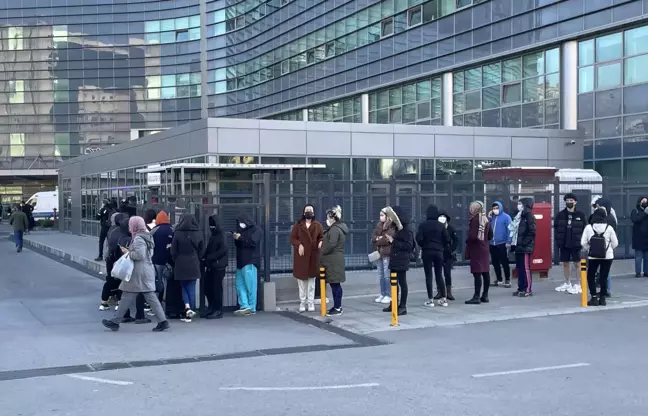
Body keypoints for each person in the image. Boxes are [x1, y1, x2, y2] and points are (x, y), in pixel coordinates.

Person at [102, 216, 170, 332]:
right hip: (145, 271)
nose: (129, 226)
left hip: (138, 273)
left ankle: (115, 321)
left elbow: (140, 255)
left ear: (135, 225)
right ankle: (162, 321)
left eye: (131, 224)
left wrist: (128, 252)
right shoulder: (147, 236)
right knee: (148, 297)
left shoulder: (138, 238)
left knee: (127, 295)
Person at [581, 208, 618, 306]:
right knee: (604, 277)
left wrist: (590, 248)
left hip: (593, 256)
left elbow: (583, 242)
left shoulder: (589, 227)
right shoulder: (609, 228)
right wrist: (608, 249)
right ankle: (602, 298)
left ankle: (593, 297)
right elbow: (615, 243)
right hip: (607, 256)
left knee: (591, 276)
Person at [171, 214, 204, 323]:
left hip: (181, 262)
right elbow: (201, 250)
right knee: (192, 287)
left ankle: (187, 308)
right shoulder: (198, 232)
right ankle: (192, 309)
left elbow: (173, 251)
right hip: (194, 261)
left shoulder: (178, 232)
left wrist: (176, 259)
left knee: (183, 287)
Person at [290, 204, 324, 312]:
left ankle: (310, 303)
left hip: (313, 256)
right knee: (301, 283)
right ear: (303, 212)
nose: (309, 212)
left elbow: (321, 237)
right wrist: (299, 244)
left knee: (311, 283)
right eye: (307, 210)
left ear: (313, 213)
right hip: (301, 257)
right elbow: (292, 238)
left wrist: (320, 242)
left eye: (311, 210)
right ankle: (302, 303)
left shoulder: (318, 225)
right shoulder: (298, 225)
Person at [416, 204, 450, 307]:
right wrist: (441, 246)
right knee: (439, 274)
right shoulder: (441, 225)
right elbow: (447, 239)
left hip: (427, 251)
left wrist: (424, 245)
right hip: (439, 252)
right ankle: (443, 298)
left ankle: (430, 300)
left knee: (428, 275)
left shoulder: (423, 225)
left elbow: (419, 239)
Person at [383, 206, 414, 316]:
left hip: (402, 259)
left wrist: (393, 241)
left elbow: (409, 245)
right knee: (393, 283)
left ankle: (403, 306)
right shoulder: (397, 227)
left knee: (402, 283)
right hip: (395, 258)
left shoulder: (406, 229)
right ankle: (394, 303)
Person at [554, 193, 587, 294]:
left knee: (577, 263)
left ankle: (578, 284)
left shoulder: (581, 215)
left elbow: (585, 228)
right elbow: (556, 228)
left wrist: (583, 241)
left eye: (571, 201)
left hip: (576, 243)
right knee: (565, 263)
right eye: (567, 201)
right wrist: (558, 241)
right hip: (564, 243)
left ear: (575, 202)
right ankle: (567, 282)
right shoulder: (560, 215)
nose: (569, 202)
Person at [233, 212, 262, 316]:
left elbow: (252, 242)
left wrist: (240, 238)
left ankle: (252, 307)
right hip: (241, 261)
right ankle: (245, 306)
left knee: (250, 286)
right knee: (239, 284)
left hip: (250, 261)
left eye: (241, 222)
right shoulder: (241, 231)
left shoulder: (256, 230)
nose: (240, 224)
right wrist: (237, 238)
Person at [465, 201, 493, 305]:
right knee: (485, 272)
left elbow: (472, 236)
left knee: (477, 272)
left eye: (471, 207)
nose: (470, 209)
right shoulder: (485, 218)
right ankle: (485, 295)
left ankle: (476, 296)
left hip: (477, 249)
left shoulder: (475, 219)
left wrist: (467, 241)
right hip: (485, 248)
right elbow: (490, 235)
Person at [203, 214, 228, 319]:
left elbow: (223, 250)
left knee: (216, 289)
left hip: (218, 266)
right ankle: (212, 307)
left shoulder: (221, 235)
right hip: (212, 265)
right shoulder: (213, 235)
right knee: (208, 288)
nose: (211, 227)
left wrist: (209, 257)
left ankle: (217, 310)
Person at [510, 198, 536, 297]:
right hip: (518, 246)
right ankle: (520, 288)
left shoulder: (529, 216)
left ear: (525, 205)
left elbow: (532, 231)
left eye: (520, 203)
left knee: (526, 268)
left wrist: (524, 243)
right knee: (520, 268)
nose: (518, 205)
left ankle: (528, 289)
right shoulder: (519, 216)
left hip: (524, 247)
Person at [99, 212, 124, 310]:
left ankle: (104, 301)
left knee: (110, 279)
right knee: (121, 281)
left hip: (110, 258)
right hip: (118, 259)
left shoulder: (111, 230)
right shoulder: (121, 231)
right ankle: (119, 302)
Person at [371, 208, 394, 304]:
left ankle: (388, 295)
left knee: (386, 275)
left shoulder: (391, 226)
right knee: (380, 274)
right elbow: (373, 237)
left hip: (387, 253)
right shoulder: (378, 225)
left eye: (382, 215)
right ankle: (383, 293)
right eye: (380, 215)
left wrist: (378, 239)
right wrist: (378, 238)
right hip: (379, 252)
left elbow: (386, 240)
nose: (381, 217)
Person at [151, 211, 174, 303]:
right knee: (168, 280)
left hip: (157, 259)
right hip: (169, 260)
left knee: (158, 280)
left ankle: (159, 300)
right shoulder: (172, 229)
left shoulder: (155, 230)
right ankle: (168, 300)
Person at [488, 201, 512, 288]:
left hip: (502, 244)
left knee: (504, 262)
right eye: (493, 208)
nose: (495, 210)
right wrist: (489, 218)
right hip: (492, 243)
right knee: (495, 262)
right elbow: (488, 228)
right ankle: (499, 279)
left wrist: (509, 241)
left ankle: (507, 279)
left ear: (500, 208)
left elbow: (510, 230)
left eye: (496, 208)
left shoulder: (506, 217)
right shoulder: (492, 218)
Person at [438, 211, 458, 301]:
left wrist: (452, 249)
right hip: (439, 253)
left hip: (448, 254)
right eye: (440, 216)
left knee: (447, 273)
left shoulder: (450, 228)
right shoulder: (437, 227)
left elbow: (456, 240)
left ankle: (449, 292)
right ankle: (440, 291)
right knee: (438, 273)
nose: (442, 217)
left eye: (443, 216)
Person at [630, 197, 648, 278]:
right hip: (638, 237)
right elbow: (635, 219)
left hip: (647, 237)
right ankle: (638, 272)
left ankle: (646, 272)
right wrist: (645, 213)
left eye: (646, 201)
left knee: (647, 257)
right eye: (643, 201)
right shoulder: (635, 211)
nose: (644, 202)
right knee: (638, 256)